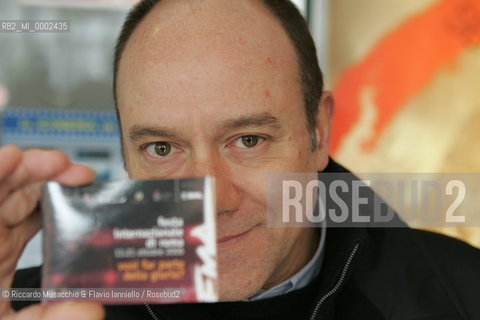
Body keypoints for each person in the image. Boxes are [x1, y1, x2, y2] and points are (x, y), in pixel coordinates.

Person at [1, 0, 479, 319]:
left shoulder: (462, 296)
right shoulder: (31, 306)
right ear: (127, 153)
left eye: (248, 140)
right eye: (162, 149)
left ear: (318, 132)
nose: (210, 201)